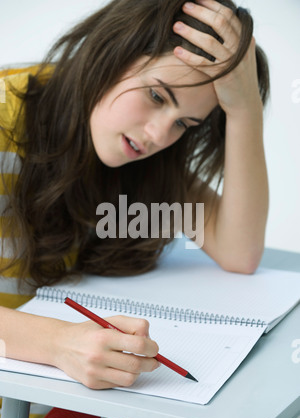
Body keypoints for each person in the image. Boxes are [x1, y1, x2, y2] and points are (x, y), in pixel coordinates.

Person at [0, 0, 270, 391]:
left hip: (54, 408)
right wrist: (57, 343)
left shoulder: (141, 159)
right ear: (113, 52)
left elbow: (239, 251)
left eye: (184, 123)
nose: (160, 135)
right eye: (158, 97)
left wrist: (245, 109)